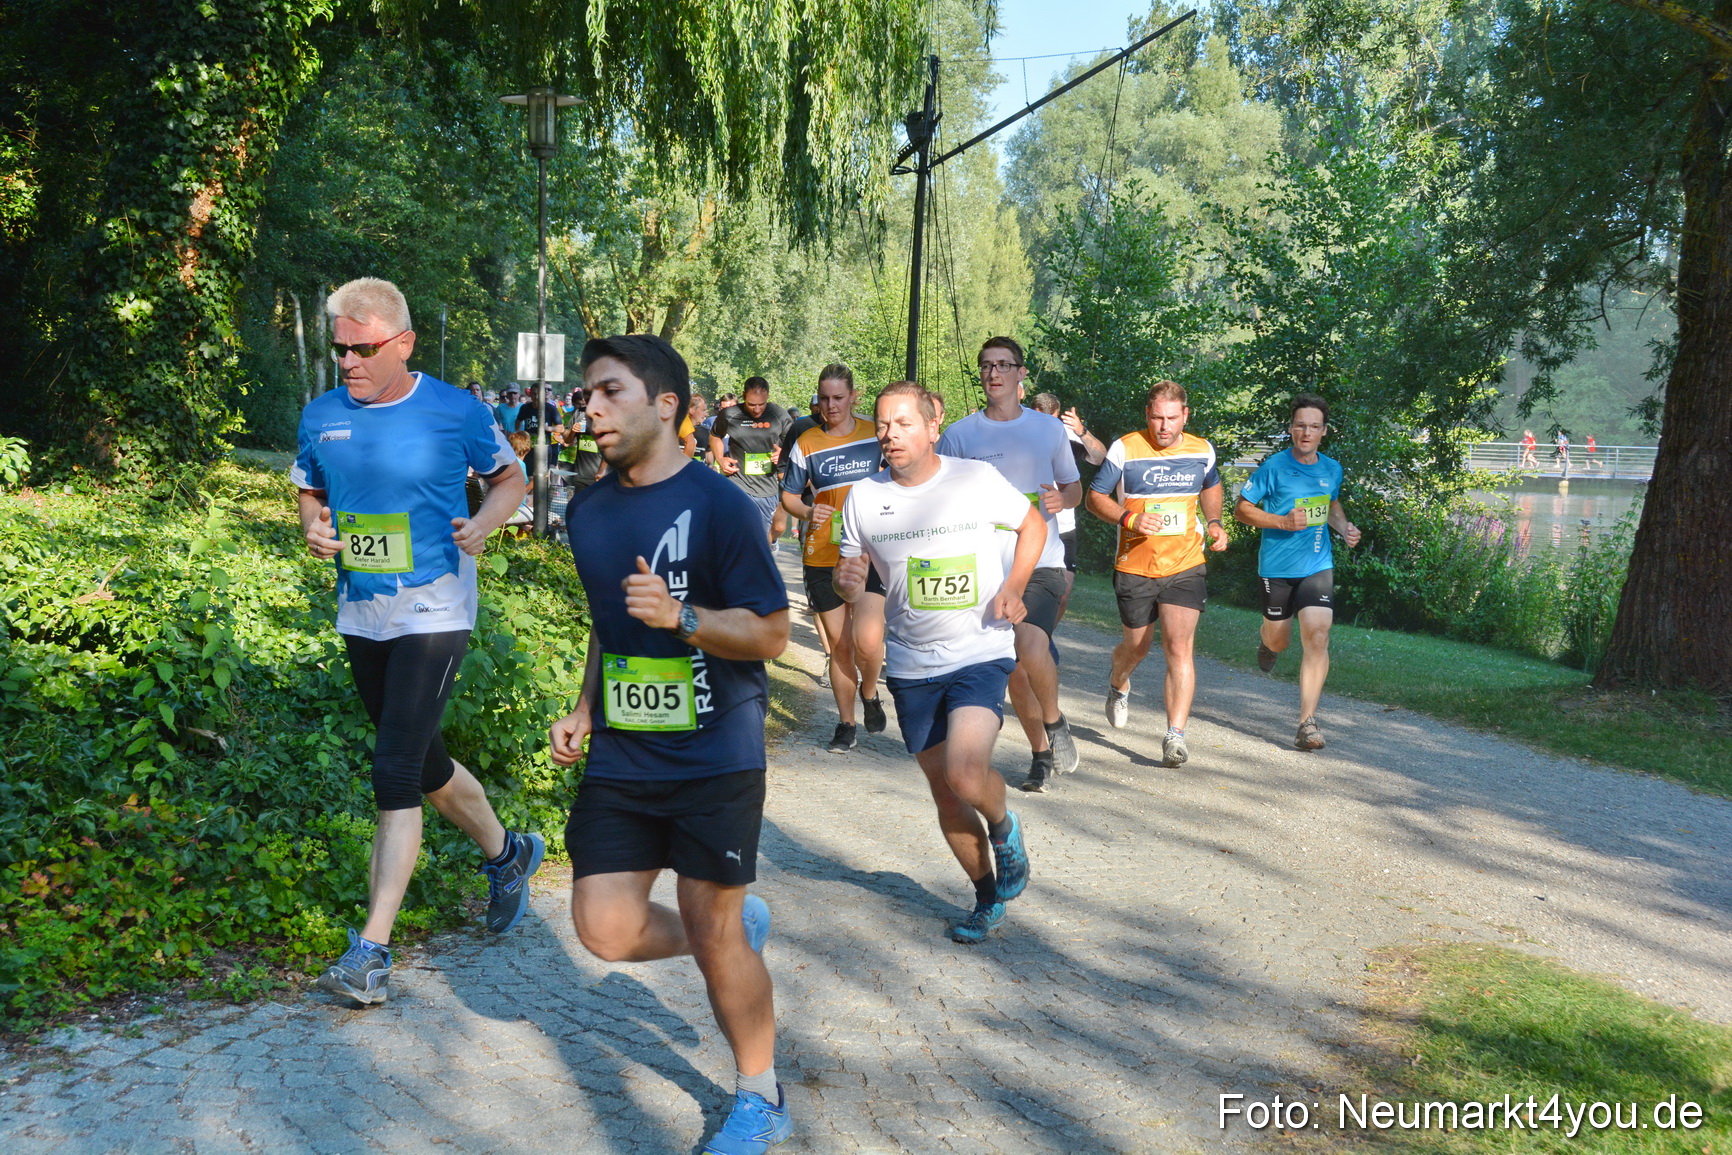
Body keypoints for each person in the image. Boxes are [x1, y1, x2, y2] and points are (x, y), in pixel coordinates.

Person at [549, 334, 793, 1155]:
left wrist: (684, 618)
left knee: (711, 926)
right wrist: (585, 705)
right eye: (586, 395)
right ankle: (731, 925)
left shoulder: (723, 505)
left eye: (609, 392)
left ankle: (759, 1093)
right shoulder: (588, 509)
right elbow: (606, 622)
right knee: (604, 928)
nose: (590, 408)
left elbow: (771, 632)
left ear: (666, 405)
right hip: (624, 748)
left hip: (715, 750)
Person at [292, 277, 545, 1007]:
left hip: (436, 608)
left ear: (402, 342)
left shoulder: (455, 410)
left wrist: (488, 522)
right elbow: (310, 487)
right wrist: (311, 524)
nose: (347, 361)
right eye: (340, 348)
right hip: (362, 612)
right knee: (424, 761)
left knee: (394, 767)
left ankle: (370, 951)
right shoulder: (321, 415)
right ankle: (507, 853)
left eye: (362, 348)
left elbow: (510, 476)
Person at [834, 381, 1042, 944]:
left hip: (979, 649)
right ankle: (985, 897)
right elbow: (849, 572)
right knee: (945, 791)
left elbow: (1033, 525)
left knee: (965, 771)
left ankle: (1004, 824)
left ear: (933, 424)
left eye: (903, 423)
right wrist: (845, 578)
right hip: (910, 664)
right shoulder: (863, 498)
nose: (890, 435)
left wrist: (1015, 586)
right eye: (882, 424)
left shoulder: (974, 479)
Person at [939, 338, 1082, 794]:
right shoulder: (960, 435)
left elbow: (1074, 489)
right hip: (985, 567)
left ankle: (1055, 723)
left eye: (1003, 365)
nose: (993, 372)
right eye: (986, 366)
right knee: (1015, 670)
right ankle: (1041, 753)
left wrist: (1063, 499)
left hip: (1041, 561)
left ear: (1022, 374)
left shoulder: (1048, 430)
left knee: (1029, 644)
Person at [1084, 380, 1228, 768]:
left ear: (1185, 416)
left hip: (1184, 564)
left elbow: (1211, 486)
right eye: (1156, 418)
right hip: (1135, 566)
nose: (1163, 427)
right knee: (1137, 648)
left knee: (1179, 648)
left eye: (1171, 418)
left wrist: (1214, 522)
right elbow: (1094, 497)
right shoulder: (1126, 448)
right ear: (1147, 415)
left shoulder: (1202, 449)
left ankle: (1175, 736)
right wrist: (1130, 517)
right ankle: (1118, 682)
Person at [1233, 395, 1362, 751]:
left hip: (1317, 563)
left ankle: (1307, 722)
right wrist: (1280, 521)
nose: (1307, 432)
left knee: (1318, 634)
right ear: (1291, 429)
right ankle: (1267, 640)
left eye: (1314, 426)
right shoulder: (1273, 467)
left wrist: (1344, 528)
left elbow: (1332, 505)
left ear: (1324, 432)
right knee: (1280, 639)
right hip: (1276, 567)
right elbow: (1242, 509)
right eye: (1300, 425)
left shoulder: (1331, 469)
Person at [780, 365, 888, 752]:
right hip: (822, 552)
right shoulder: (806, 441)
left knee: (868, 640)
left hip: (869, 551)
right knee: (841, 645)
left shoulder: (874, 434)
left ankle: (871, 691)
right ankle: (846, 725)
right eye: (824, 398)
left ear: (853, 397)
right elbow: (790, 495)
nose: (830, 405)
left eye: (838, 398)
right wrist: (809, 513)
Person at [1030, 392, 1106, 622]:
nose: (1042, 426)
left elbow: (1100, 457)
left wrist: (1082, 431)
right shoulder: (1020, 434)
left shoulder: (1068, 437)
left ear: (1057, 418)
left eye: (1048, 421)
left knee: (1062, 594)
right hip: (1030, 524)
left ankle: (1046, 639)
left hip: (1063, 527)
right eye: (1036, 420)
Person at [710, 377, 795, 546]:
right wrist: (720, 458)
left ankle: (766, 551)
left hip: (766, 488)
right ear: (743, 396)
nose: (757, 410)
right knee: (736, 534)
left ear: (768, 397)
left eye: (761, 404)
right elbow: (714, 436)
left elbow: (794, 445)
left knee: (761, 540)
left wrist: (784, 455)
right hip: (737, 482)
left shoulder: (778, 415)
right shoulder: (730, 414)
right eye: (751, 404)